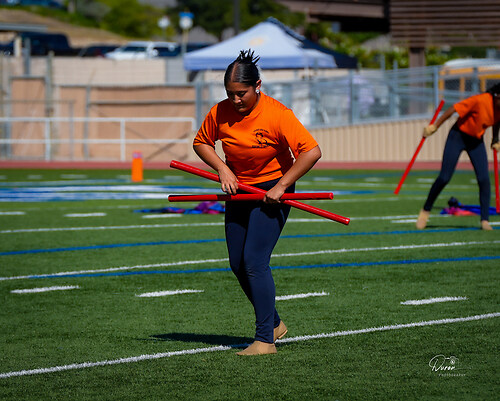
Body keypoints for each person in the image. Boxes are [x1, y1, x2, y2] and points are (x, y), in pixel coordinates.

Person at [192, 49, 322, 355]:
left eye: (242, 93)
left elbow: (311, 151)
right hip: (239, 188)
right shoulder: (219, 112)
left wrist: (282, 185)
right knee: (237, 263)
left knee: (254, 261)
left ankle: (265, 340)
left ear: (258, 86)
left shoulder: (278, 114)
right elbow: (201, 142)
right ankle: (274, 323)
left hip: (273, 190)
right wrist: (222, 168)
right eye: (230, 94)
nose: (235, 100)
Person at [416, 83, 500, 231]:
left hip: (476, 141)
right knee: (444, 177)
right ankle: (425, 211)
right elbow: (453, 108)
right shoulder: (480, 100)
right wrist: (435, 126)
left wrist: (495, 139)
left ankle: (485, 220)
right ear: (497, 96)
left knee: (484, 179)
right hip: (458, 136)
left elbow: (497, 121)